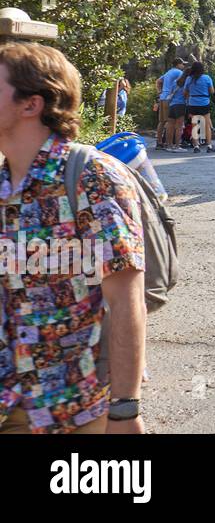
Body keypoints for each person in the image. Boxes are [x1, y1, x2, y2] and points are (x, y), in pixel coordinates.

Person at [0, 41, 147, 434]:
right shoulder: (2, 185)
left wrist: (125, 410)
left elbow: (126, 301)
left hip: (77, 411)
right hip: (10, 406)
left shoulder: (92, 177)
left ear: (30, 104)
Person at [182, 60, 215, 154]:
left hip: (193, 103)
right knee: (206, 125)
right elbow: (212, 91)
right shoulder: (207, 78)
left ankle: (196, 146)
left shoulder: (189, 79)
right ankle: (209, 145)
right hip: (204, 102)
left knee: (195, 125)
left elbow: (184, 92)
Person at [156, 59, 185, 150]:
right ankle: (172, 143)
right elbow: (181, 83)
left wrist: (160, 92)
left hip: (162, 97)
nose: (183, 66)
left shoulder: (168, 72)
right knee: (171, 122)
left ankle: (159, 142)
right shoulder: (179, 72)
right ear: (178, 64)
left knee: (162, 121)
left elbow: (158, 81)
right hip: (170, 98)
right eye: (182, 64)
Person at [165, 61, 190, 149]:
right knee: (179, 127)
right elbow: (185, 95)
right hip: (181, 105)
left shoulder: (176, 81)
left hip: (172, 105)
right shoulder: (187, 83)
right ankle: (177, 146)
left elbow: (171, 93)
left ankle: (169, 145)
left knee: (170, 126)